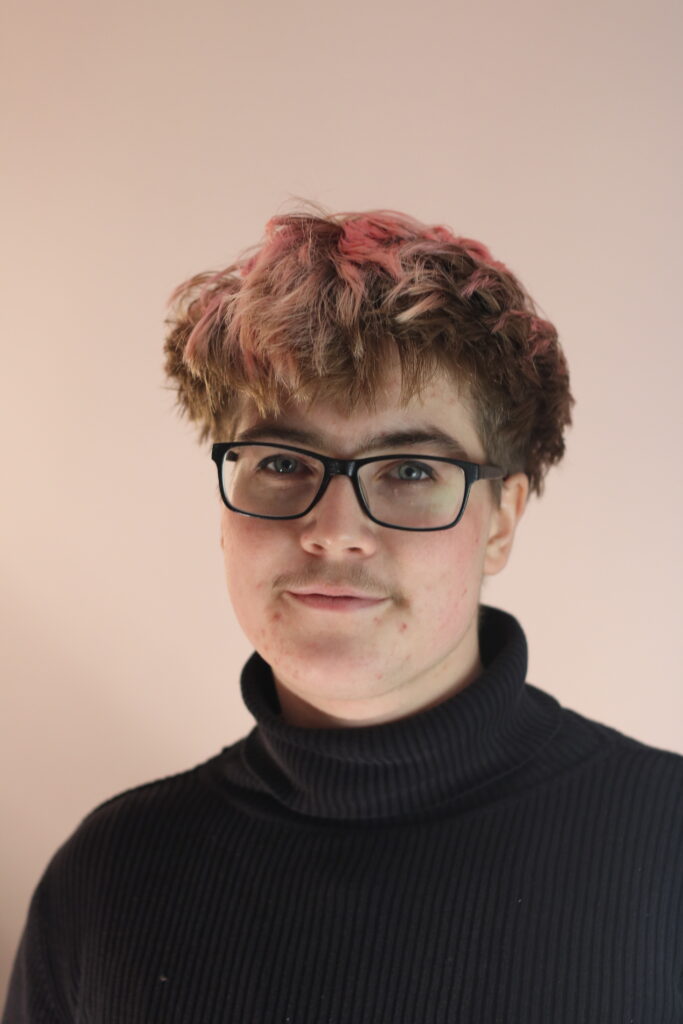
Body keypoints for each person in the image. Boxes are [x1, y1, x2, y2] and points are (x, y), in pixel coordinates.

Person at [4, 202, 682, 1023]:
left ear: (500, 519)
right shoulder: (110, 876)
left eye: (407, 470)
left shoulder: (665, 846)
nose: (333, 532)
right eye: (284, 462)